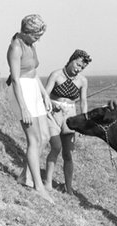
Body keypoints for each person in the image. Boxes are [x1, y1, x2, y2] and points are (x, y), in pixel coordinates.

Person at [6, 14, 53, 203]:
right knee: (34, 140)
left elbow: (33, 72)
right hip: (21, 92)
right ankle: (38, 186)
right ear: (26, 32)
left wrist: (44, 93)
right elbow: (16, 79)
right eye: (36, 36)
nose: (38, 39)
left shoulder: (30, 44)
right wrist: (23, 108)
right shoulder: (15, 47)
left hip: (33, 88)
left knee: (45, 137)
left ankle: (24, 176)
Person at [43, 49, 92, 195]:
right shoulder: (56, 75)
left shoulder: (82, 81)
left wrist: (84, 123)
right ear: (71, 60)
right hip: (53, 114)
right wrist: (52, 105)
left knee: (68, 154)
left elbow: (83, 102)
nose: (78, 69)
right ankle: (47, 183)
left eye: (82, 67)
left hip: (71, 116)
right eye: (77, 64)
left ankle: (68, 187)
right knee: (56, 147)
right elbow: (44, 94)